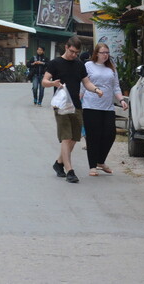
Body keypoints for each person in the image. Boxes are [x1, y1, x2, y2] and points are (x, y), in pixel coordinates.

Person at [43, 36, 104, 184]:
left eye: (76, 52)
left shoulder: (79, 64)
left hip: (76, 105)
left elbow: (87, 82)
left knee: (74, 138)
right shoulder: (55, 63)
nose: (74, 55)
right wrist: (53, 83)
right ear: (66, 47)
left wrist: (95, 89)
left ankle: (58, 163)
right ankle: (70, 170)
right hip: (62, 105)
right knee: (66, 137)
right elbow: (44, 81)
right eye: (72, 51)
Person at [80, 43, 127, 176]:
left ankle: (101, 161)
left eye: (107, 52)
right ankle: (92, 166)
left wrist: (122, 100)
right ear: (96, 53)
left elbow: (116, 87)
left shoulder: (111, 67)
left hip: (108, 107)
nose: (106, 55)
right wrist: (78, 100)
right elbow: (83, 85)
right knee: (93, 136)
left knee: (110, 134)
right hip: (91, 105)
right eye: (103, 52)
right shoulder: (88, 66)